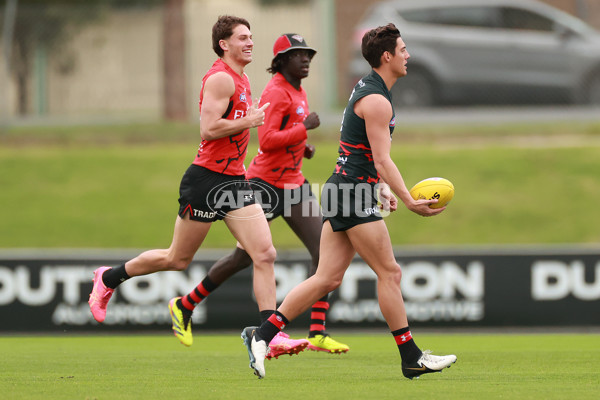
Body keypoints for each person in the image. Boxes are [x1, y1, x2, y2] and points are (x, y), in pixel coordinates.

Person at [241, 23, 457, 380]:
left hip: (344, 189)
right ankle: (411, 357)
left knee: (326, 278)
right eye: (403, 50)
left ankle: (261, 336)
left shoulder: (369, 90)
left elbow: (363, 153)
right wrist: (408, 199)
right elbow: (382, 159)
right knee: (390, 272)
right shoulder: (377, 100)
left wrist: (379, 187)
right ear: (386, 57)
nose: (408, 56)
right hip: (352, 194)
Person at [88, 16, 278, 328]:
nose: (250, 42)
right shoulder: (221, 79)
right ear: (224, 44)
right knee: (177, 259)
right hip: (206, 180)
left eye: (250, 36)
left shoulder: (241, 79)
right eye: (242, 38)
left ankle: (269, 334)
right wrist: (248, 121)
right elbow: (208, 129)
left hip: (234, 181)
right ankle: (108, 277)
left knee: (265, 254)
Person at [167, 34, 349, 358]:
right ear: (281, 61)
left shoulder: (298, 90)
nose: (306, 59)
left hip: (293, 184)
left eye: (308, 54)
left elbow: (284, 133)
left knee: (324, 250)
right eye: (298, 55)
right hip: (264, 183)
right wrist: (303, 129)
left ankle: (318, 331)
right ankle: (186, 304)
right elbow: (266, 140)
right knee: (244, 257)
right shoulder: (276, 90)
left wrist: (300, 145)